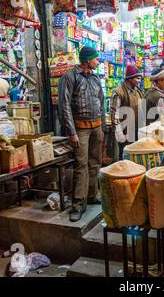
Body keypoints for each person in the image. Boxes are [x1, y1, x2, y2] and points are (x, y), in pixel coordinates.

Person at [58, 46, 105, 222]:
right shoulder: (69, 77)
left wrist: (104, 127)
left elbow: (100, 102)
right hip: (81, 129)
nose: (98, 61)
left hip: (97, 126)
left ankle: (92, 195)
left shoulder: (95, 78)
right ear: (87, 60)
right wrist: (71, 132)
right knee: (81, 165)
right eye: (95, 59)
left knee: (95, 163)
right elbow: (64, 106)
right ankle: (78, 204)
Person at [110, 64, 143, 160]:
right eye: (137, 78)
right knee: (125, 158)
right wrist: (119, 133)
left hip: (137, 131)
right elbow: (114, 114)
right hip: (125, 132)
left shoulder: (138, 91)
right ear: (130, 79)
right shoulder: (118, 92)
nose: (139, 81)